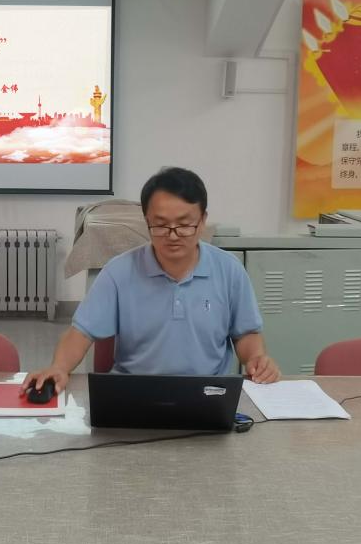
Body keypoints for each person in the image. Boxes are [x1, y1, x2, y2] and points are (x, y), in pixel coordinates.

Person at [23, 167, 279, 394]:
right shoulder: (119, 272)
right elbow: (81, 333)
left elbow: (246, 334)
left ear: (202, 221)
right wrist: (59, 367)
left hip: (208, 393)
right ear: (146, 222)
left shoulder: (229, 270)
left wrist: (256, 358)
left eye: (184, 224)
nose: (173, 235)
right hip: (134, 392)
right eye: (161, 225)